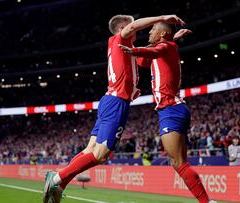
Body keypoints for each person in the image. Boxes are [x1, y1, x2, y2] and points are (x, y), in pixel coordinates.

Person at [42, 14, 185, 203]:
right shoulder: (120, 38)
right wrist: (163, 17)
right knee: (102, 153)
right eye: (131, 24)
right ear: (122, 28)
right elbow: (133, 30)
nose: (136, 26)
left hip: (110, 100)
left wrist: (169, 40)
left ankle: (59, 185)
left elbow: (146, 60)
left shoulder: (124, 47)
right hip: (117, 102)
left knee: (90, 149)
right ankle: (57, 178)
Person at [118, 22, 215, 203]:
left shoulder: (167, 46)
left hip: (171, 109)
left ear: (163, 33)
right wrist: (144, 49)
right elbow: (142, 61)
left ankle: (207, 202)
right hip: (170, 110)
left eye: (153, 30)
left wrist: (135, 49)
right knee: (178, 164)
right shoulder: (164, 48)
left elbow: (153, 52)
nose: (149, 33)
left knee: (178, 163)